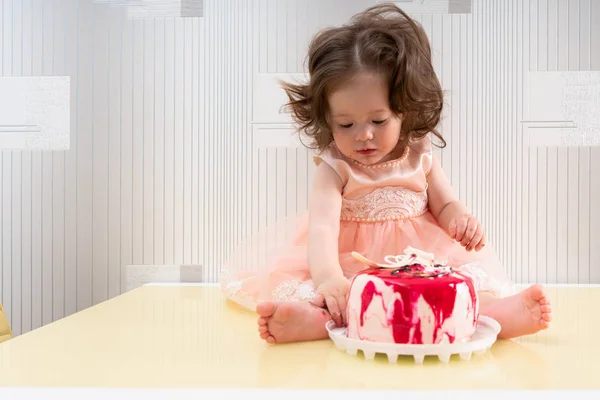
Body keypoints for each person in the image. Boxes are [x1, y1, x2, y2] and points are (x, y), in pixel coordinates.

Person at [220, 3, 552, 344]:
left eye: (378, 121)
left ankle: (498, 315)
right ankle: (311, 321)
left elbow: (446, 203)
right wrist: (329, 278)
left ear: (404, 111)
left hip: (423, 263)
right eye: (346, 124)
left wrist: (460, 220)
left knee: (455, 292)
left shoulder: (419, 154)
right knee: (343, 302)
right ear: (327, 119)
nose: (364, 135)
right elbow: (321, 229)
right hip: (354, 265)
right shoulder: (336, 168)